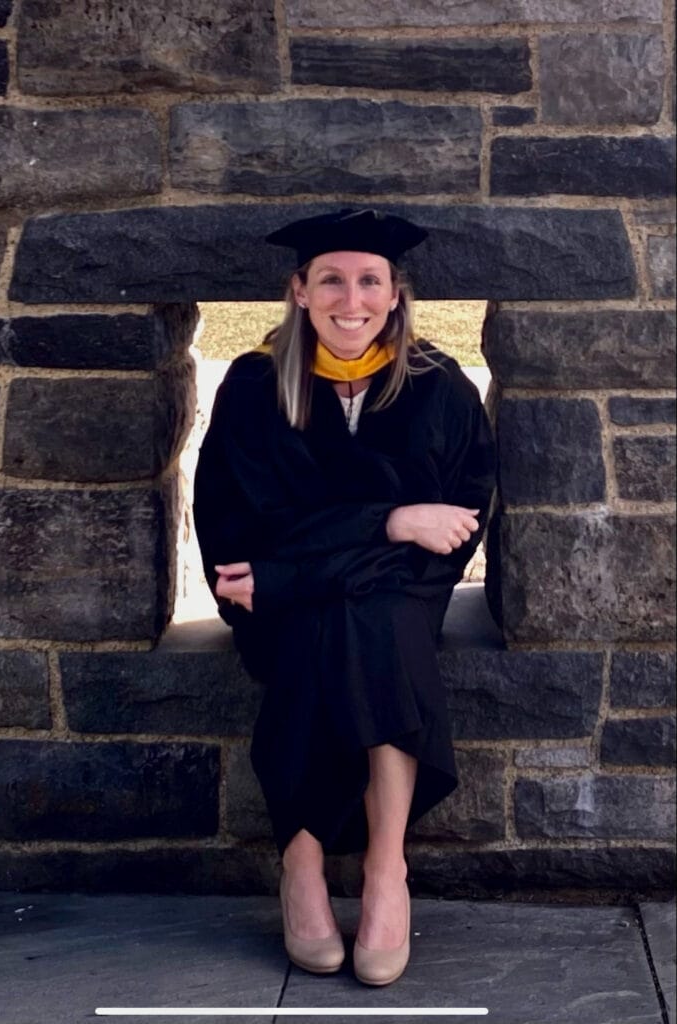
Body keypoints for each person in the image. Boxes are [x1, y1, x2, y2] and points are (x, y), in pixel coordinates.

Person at [193, 209, 496, 986]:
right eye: (330, 279)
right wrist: (392, 520)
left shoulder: (439, 388)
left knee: (372, 620)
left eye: (370, 281)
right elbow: (245, 530)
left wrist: (303, 568)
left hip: (376, 600)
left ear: (396, 294)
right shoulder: (256, 387)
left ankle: (380, 869)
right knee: (338, 622)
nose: (350, 299)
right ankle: (306, 862)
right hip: (280, 604)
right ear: (298, 289)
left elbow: (453, 533)